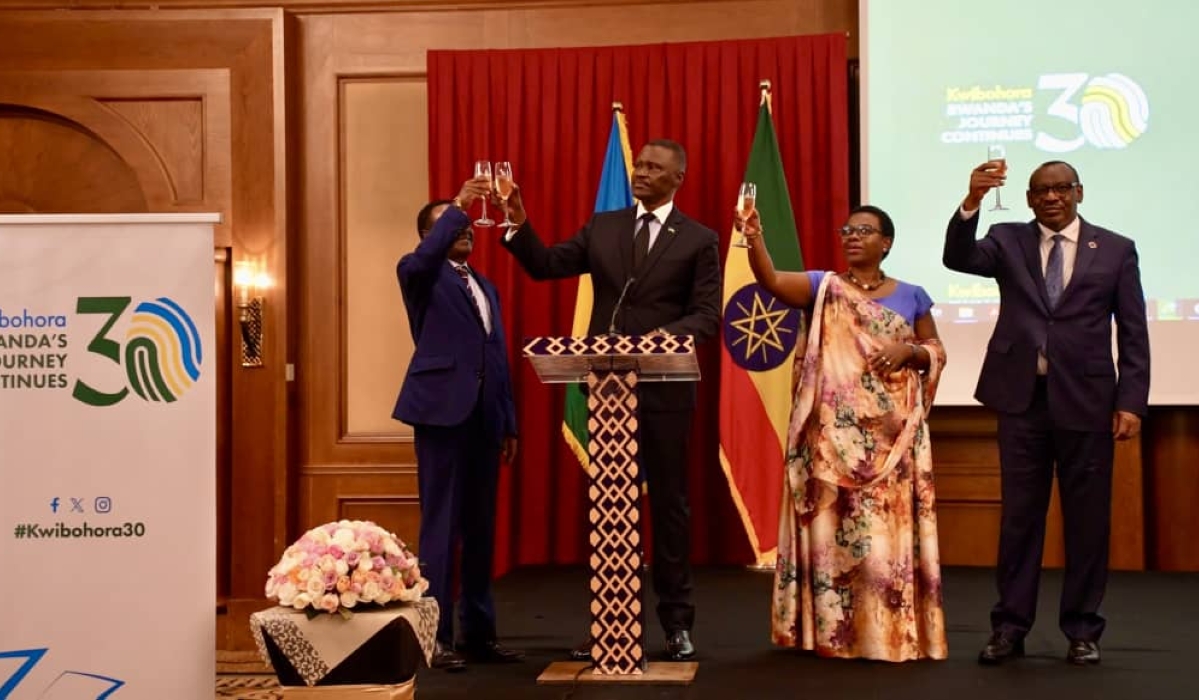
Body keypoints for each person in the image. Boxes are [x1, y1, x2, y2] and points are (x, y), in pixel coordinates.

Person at [497, 139, 721, 661]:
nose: (641, 172)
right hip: (607, 390)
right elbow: (547, 264)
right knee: (611, 507)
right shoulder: (605, 227)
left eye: (653, 167)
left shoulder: (699, 239)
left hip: (665, 390)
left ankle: (676, 624)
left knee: (669, 507)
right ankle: (609, 625)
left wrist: (650, 344)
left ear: (677, 178)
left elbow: (706, 316)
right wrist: (517, 221)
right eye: (639, 164)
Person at [943, 160, 1150, 666]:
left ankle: (1082, 629)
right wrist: (971, 200)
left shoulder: (1116, 249)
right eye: (1041, 190)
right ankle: (1010, 627)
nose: (1052, 197)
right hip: (1022, 402)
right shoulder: (1006, 239)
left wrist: (1131, 402)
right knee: (1019, 520)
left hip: (1088, 403)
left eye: (1061, 188)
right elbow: (958, 257)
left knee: (1087, 522)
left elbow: (1134, 332)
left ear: (1079, 192)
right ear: (1030, 198)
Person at [738, 204, 949, 662]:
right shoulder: (824, 287)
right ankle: (831, 634)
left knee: (881, 542)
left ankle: (885, 634)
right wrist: (754, 237)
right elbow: (771, 280)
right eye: (847, 230)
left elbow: (934, 351)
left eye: (865, 231)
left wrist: (908, 348)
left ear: (886, 242)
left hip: (891, 442)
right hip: (831, 441)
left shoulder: (913, 295)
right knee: (834, 540)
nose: (852, 237)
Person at [392, 178, 524, 672]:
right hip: (440, 414)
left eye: (468, 226)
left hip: (485, 420)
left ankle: (478, 635)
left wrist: (509, 421)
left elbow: (498, 356)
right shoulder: (417, 272)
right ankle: (436, 636)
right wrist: (461, 203)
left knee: (480, 530)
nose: (465, 229)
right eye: (452, 225)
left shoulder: (485, 285)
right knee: (442, 528)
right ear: (429, 236)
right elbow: (424, 258)